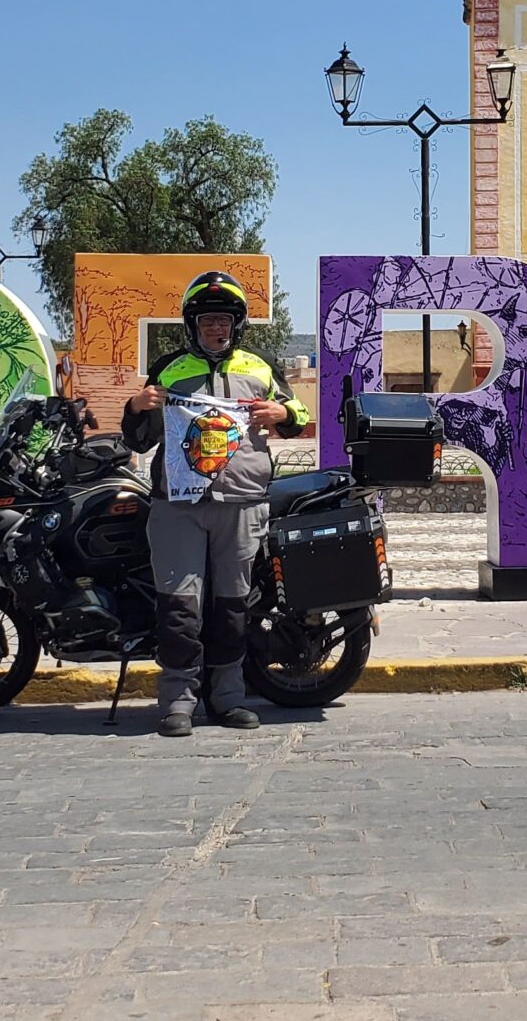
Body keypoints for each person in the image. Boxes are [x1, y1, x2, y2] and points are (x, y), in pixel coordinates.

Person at [120, 271, 310, 738]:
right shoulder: (169, 368)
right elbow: (140, 439)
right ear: (193, 324)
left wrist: (283, 412)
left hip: (241, 503)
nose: (216, 327)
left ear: (236, 324)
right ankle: (177, 702)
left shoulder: (260, 367)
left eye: (223, 319)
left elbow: (298, 414)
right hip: (178, 505)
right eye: (207, 320)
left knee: (231, 607)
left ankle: (227, 699)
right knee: (179, 607)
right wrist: (137, 407)